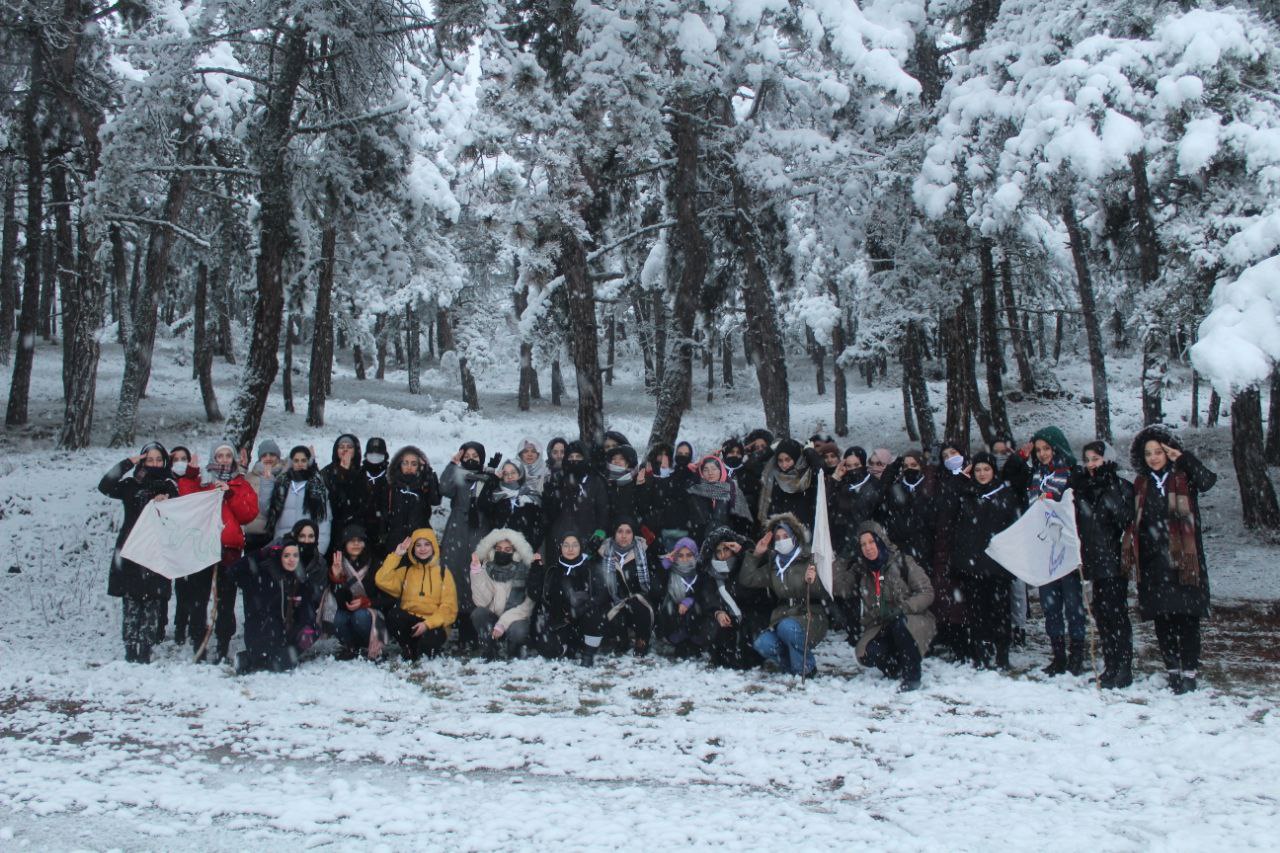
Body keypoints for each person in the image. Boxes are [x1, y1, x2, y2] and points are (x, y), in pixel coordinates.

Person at [1126, 425, 1217, 694]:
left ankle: (1189, 671)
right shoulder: (1141, 484)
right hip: (1154, 563)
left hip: (1184, 560)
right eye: (1148, 453)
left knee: (1187, 618)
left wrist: (1183, 457)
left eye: (1158, 452)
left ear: (1167, 452)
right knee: (1163, 619)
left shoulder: (1184, 476)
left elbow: (1208, 480)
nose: (1153, 457)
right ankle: (1173, 670)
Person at [176, 442, 260, 664]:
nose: (224, 459)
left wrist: (230, 493)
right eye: (219, 455)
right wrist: (190, 475)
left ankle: (223, 642)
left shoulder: (240, 484)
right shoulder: (203, 480)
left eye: (227, 455)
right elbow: (187, 498)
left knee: (226, 600)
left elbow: (248, 514)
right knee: (199, 598)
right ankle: (198, 640)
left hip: (229, 550)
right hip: (203, 547)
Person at [739, 513, 850, 677]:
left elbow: (827, 589)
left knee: (787, 629)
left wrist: (813, 582)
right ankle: (789, 667)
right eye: (777, 537)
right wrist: (756, 555)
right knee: (763, 643)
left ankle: (806, 669)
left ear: (794, 536)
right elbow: (748, 579)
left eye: (785, 536)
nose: (781, 540)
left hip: (811, 615)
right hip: (783, 616)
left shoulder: (809, 558)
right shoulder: (774, 564)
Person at [98, 443, 178, 663]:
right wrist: (127, 463)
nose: (154, 464)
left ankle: (145, 647)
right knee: (131, 600)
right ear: (142, 462)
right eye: (149, 460)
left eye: (158, 460)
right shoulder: (131, 485)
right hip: (130, 549)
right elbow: (105, 486)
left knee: (153, 601)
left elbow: (182, 512)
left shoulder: (170, 486)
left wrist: (168, 501)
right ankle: (130, 646)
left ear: (164, 462)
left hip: (157, 549)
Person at [1071, 441, 1136, 688]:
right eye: (1087, 460)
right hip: (1092, 559)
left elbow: (1124, 519)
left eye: (1096, 459)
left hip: (1114, 560)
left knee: (1116, 614)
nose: (1091, 464)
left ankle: (1123, 667)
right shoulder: (1085, 489)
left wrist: (1108, 487)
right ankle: (1110, 665)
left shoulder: (1120, 487)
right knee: (1101, 615)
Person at [1024, 426, 1085, 675]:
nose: (1042, 454)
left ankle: (1077, 655)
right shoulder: (1036, 476)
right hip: (1044, 549)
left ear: (1056, 448)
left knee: (1073, 605)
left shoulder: (1072, 474)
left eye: (1046, 448)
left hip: (1067, 549)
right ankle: (1058, 655)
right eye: (1038, 450)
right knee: (1050, 606)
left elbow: (1076, 510)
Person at [950, 452, 1020, 669]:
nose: (982, 474)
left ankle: (1002, 653)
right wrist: (960, 479)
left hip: (998, 565)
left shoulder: (1006, 495)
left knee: (1000, 611)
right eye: (978, 470)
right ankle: (981, 650)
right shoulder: (966, 494)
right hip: (973, 565)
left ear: (993, 471)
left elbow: (1013, 527)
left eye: (986, 469)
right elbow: (952, 516)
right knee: (977, 612)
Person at [853, 521, 936, 692]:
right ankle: (894, 667)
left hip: (912, 619)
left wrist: (903, 608)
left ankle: (912, 675)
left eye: (871, 542)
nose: (868, 548)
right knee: (867, 653)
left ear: (880, 541)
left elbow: (927, 593)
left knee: (901, 626)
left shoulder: (903, 562)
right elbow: (840, 586)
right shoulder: (862, 570)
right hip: (882, 624)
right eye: (863, 544)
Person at [228, 536, 324, 674]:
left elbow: (306, 610)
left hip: (283, 633)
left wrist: (306, 628)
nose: (291, 559)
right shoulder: (261, 575)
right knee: (270, 657)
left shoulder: (300, 580)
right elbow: (233, 572)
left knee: (311, 630)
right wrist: (260, 553)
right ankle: (254, 658)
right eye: (286, 555)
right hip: (261, 630)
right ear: (279, 556)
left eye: (295, 555)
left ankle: (281, 656)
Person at [376, 527, 457, 662]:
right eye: (418, 545)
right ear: (412, 548)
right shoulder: (407, 571)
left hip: (432, 624)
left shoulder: (443, 573)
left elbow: (449, 609)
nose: (422, 549)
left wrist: (427, 624)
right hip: (411, 622)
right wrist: (396, 555)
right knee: (394, 615)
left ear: (434, 547)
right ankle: (408, 647)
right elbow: (381, 580)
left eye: (427, 544)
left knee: (428, 645)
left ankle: (422, 648)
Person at [441, 441, 494, 642]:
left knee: (477, 577)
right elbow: (444, 489)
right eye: (468, 455)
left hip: (480, 529)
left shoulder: (487, 477)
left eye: (476, 455)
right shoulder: (458, 474)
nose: (471, 458)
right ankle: (460, 624)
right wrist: (452, 465)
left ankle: (475, 627)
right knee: (455, 576)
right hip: (457, 529)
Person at [928, 440, 973, 660]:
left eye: (953, 453)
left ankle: (963, 639)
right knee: (942, 593)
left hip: (964, 544)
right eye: (945, 456)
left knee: (962, 597)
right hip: (941, 544)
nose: (949, 458)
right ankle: (944, 633)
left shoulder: (971, 475)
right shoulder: (940, 479)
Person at [535, 532, 607, 666]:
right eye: (566, 545)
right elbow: (544, 598)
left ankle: (588, 653)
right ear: (560, 548)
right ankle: (569, 647)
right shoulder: (553, 570)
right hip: (561, 622)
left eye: (574, 545)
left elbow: (600, 596)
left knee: (596, 615)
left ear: (580, 547)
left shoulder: (590, 568)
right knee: (547, 648)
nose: (570, 549)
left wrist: (580, 610)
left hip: (585, 620)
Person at [700, 527, 764, 670]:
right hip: (724, 616)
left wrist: (743, 553)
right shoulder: (709, 571)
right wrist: (718, 612)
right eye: (718, 551)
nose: (722, 555)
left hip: (748, 614)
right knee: (714, 629)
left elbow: (753, 593)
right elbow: (707, 595)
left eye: (726, 549)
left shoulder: (743, 565)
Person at [469, 529, 536, 659]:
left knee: (519, 631)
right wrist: (476, 573)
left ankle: (511, 649)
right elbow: (481, 602)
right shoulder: (487, 568)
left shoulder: (526, 571)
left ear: (515, 552)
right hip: (493, 619)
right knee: (478, 614)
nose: (502, 552)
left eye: (507, 549)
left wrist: (502, 624)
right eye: (498, 548)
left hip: (515, 619)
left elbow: (528, 606)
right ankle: (491, 647)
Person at [596, 519, 658, 657]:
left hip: (639, 599)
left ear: (633, 534)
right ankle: (621, 640)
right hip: (617, 599)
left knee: (638, 604)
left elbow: (654, 581)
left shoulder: (643, 551)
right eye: (620, 531)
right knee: (609, 608)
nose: (624, 536)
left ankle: (642, 640)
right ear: (614, 534)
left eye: (628, 532)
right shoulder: (604, 552)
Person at [323, 523, 384, 661]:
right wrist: (337, 578)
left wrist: (368, 602)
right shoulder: (338, 564)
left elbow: (386, 598)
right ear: (344, 543)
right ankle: (350, 647)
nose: (356, 544)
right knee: (336, 617)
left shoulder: (375, 564)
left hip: (371, 614)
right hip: (348, 612)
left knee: (360, 616)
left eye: (360, 540)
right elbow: (338, 601)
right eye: (351, 540)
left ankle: (370, 645)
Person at [656, 537, 716, 659]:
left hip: (696, 618)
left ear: (695, 555)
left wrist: (689, 600)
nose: (684, 559)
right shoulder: (671, 571)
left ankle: (695, 641)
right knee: (670, 607)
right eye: (681, 555)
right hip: (675, 617)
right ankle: (679, 640)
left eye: (689, 555)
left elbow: (704, 592)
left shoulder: (701, 572)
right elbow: (656, 588)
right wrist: (664, 566)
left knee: (696, 609)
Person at [544, 441, 610, 549]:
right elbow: (551, 514)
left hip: (588, 539)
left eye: (578, 456)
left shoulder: (595, 481)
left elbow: (603, 512)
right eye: (571, 456)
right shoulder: (559, 480)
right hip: (561, 540)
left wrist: (599, 535)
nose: (574, 460)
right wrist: (549, 496)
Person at [266, 446, 331, 554]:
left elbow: (324, 520)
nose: (300, 464)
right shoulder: (282, 484)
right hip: (284, 545)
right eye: (296, 460)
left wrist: (320, 550)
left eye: (303, 460)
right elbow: (268, 511)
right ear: (291, 462)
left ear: (308, 462)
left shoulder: (318, 486)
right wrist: (267, 483)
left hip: (308, 544)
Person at [480, 460, 545, 552]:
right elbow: (482, 505)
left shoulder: (531, 495)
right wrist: (493, 480)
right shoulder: (497, 495)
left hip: (524, 550)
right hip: (500, 549)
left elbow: (539, 525)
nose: (510, 476)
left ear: (520, 473)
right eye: (506, 474)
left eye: (513, 472)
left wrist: (532, 547)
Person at [383, 445, 441, 548]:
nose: (409, 467)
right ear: (399, 464)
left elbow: (435, 500)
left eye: (414, 464)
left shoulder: (424, 485)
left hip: (419, 541)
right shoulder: (391, 487)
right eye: (405, 463)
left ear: (419, 466)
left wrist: (428, 473)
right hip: (395, 541)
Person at [755, 438, 820, 530]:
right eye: (780, 460)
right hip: (781, 533)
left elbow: (822, 473)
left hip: (805, 531)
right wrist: (769, 451)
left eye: (788, 460)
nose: (784, 465)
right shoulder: (774, 475)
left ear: (796, 458)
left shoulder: (807, 475)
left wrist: (811, 453)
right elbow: (750, 465)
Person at [685, 455, 752, 543]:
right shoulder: (696, 493)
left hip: (727, 541)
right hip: (703, 543)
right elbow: (696, 523)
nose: (710, 473)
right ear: (701, 473)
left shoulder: (732, 491)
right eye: (706, 470)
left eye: (714, 469)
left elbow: (741, 522)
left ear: (721, 470)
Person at [323, 434, 371, 554]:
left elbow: (363, 500)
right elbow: (332, 499)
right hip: (332, 525)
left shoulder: (362, 473)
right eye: (341, 447)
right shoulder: (327, 472)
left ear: (355, 451)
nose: (345, 450)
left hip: (355, 527)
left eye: (349, 447)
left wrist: (348, 475)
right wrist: (341, 474)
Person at [166, 445, 194, 644]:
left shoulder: (194, 481)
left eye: (184, 458)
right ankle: (160, 624)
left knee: (185, 588)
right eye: (176, 459)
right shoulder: (164, 482)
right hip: (167, 540)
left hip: (188, 540)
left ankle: (182, 625)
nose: (180, 463)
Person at [241, 439, 283, 552]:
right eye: (264, 455)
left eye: (272, 454)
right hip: (252, 534)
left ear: (278, 457)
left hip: (274, 534)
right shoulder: (250, 477)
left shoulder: (283, 476)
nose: (268, 458)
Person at [362, 437, 391, 557]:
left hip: (384, 529)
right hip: (362, 527)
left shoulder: (391, 477)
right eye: (371, 454)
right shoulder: (359, 474)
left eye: (378, 454)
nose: (375, 457)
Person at [604, 444, 642, 528]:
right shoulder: (604, 481)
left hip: (631, 530)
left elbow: (642, 507)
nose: (617, 461)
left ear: (628, 463)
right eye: (614, 459)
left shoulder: (637, 480)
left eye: (621, 459)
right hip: (609, 529)